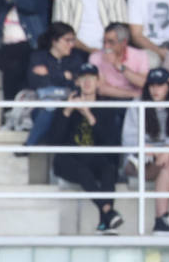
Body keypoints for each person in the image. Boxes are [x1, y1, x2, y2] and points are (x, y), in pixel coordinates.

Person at [49, 61, 124, 233]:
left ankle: (104, 223)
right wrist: (67, 112)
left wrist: (89, 114)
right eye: (83, 78)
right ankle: (108, 213)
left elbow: (109, 142)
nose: (87, 82)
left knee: (109, 169)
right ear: (77, 82)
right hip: (69, 159)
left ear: (98, 81)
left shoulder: (106, 108)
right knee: (83, 171)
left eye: (91, 78)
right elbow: (54, 141)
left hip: (94, 157)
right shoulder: (66, 106)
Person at [122, 66, 169, 236]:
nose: (155, 89)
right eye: (152, 85)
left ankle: (162, 222)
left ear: (168, 86)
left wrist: (167, 150)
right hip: (139, 161)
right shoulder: (137, 104)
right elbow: (129, 139)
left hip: (167, 156)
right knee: (168, 162)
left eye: (160, 85)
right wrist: (156, 151)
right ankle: (161, 221)